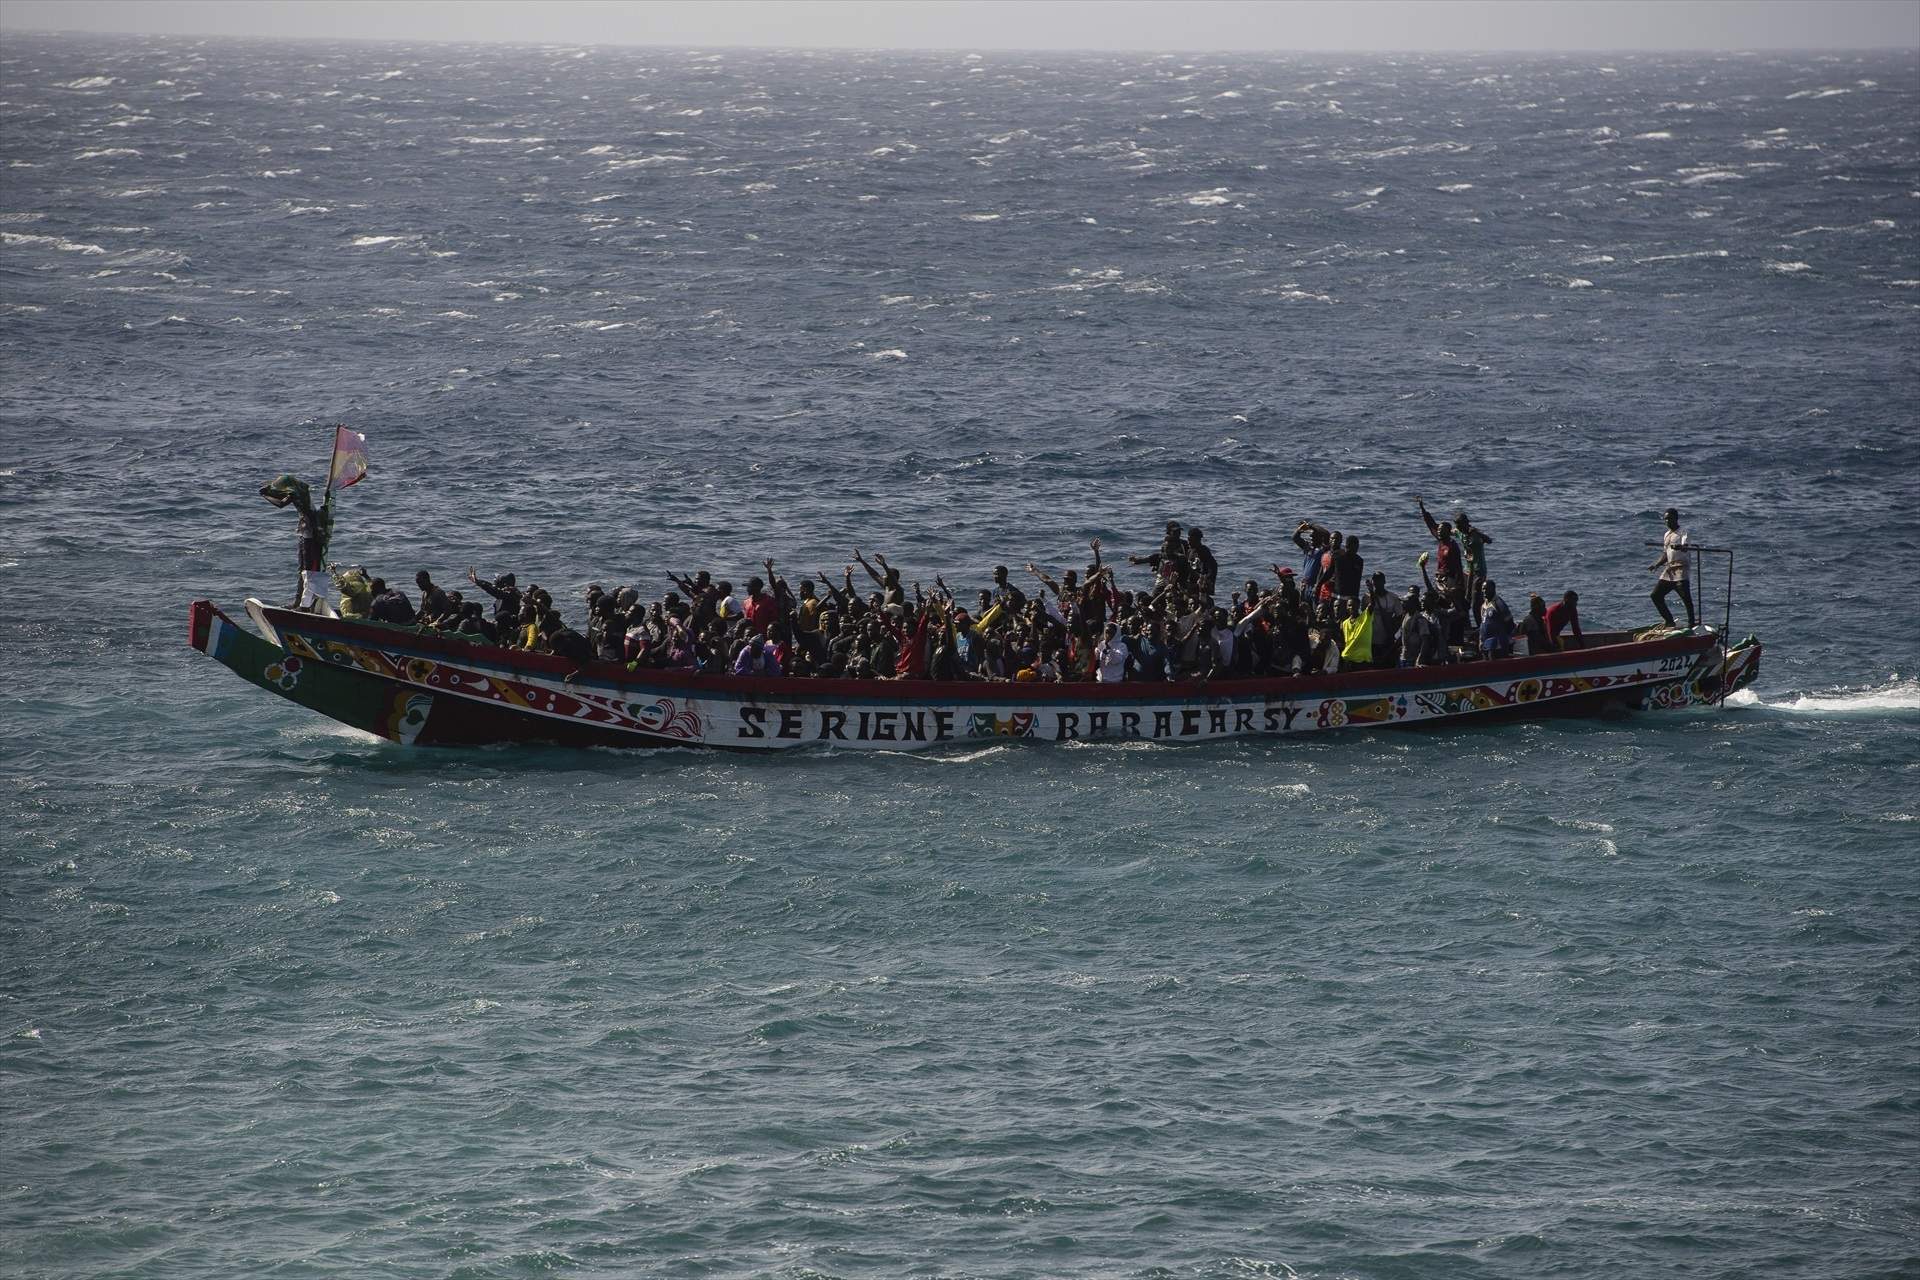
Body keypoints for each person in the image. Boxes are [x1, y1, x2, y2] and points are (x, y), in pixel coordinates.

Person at [259, 474, 332, 610]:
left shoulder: (293, 493)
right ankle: (302, 602)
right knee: (305, 570)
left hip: (309, 534)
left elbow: (281, 503)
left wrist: (265, 496)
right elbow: (282, 495)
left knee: (306, 570)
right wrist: (269, 490)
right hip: (313, 531)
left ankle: (302, 604)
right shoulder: (301, 489)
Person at [1649, 507, 1696, 628]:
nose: (1667, 522)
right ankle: (1669, 621)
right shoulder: (1666, 535)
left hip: (1681, 569)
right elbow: (1665, 554)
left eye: (1669, 519)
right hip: (1669, 569)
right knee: (1655, 595)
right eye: (1665, 519)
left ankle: (1692, 624)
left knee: (1686, 598)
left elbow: (1685, 547)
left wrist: (1680, 547)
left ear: (1676, 519)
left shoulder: (1683, 532)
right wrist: (1656, 565)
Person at [1478, 581, 1515, 659]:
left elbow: (1510, 623)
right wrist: (1480, 641)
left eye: (1487, 589)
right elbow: (1483, 624)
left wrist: (1504, 637)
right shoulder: (1483, 606)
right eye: (1483, 589)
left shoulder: (1498, 603)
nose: (1484, 591)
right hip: (1486, 644)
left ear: (1493, 589)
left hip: (1498, 645)